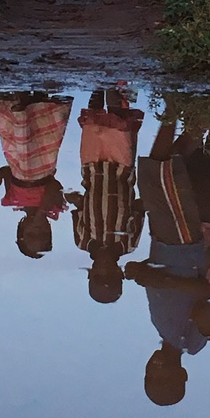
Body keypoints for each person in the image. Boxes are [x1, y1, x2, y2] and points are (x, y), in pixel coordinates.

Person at [126, 113, 210, 405]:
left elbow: (163, 284)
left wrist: (141, 271)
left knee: (163, 171)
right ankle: (188, 111)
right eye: (163, 378)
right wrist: (158, 278)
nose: (155, 370)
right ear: (182, 376)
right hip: (183, 242)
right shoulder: (193, 342)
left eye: (149, 377)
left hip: (164, 240)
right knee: (157, 173)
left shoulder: (164, 330)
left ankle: (194, 114)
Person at [73, 87, 144, 302]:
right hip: (123, 169)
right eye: (110, 276)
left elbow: (79, 208)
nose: (104, 270)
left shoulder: (83, 241)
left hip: (91, 169)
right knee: (119, 128)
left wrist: (68, 197)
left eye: (98, 276)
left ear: (91, 274)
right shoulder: (129, 245)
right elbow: (140, 209)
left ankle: (97, 88)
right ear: (119, 274)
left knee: (93, 128)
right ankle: (115, 87)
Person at [0, 91, 73, 257]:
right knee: (43, 131)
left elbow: (9, 173)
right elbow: (54, 185)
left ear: (22, 229)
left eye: (31, 234)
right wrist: (42, 212)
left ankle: (21, 104)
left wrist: (0, 174)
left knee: (19, 133)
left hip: (17, 160)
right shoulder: (54, 206)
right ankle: (41, 102)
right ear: (49, 229)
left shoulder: (12, 200)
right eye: (43, 234)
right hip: (43, 162)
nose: (37, 230)